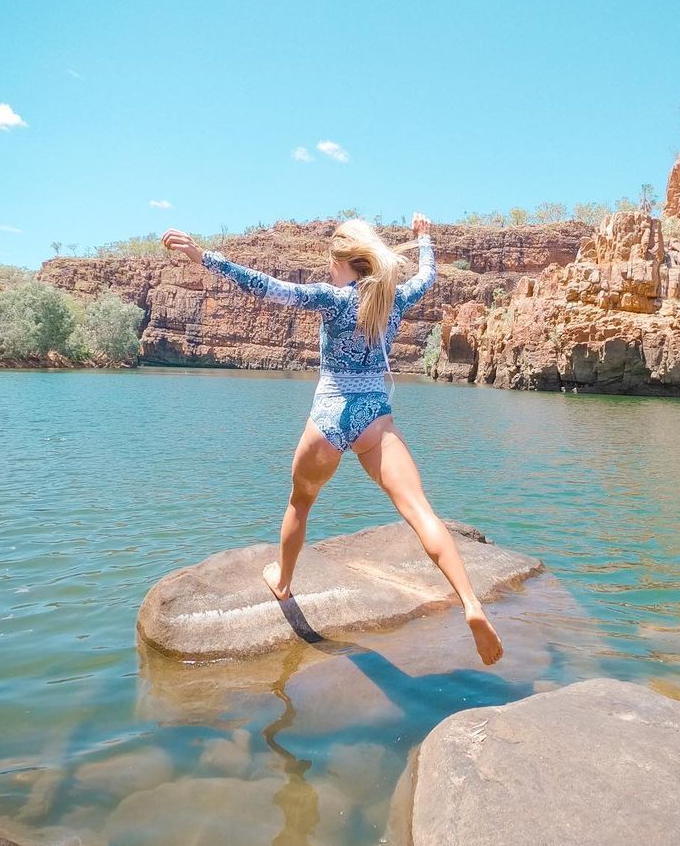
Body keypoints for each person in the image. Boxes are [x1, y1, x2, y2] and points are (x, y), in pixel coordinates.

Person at [161, 214, 504, 665]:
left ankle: (283, 581)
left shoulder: (333, 299)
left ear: (343, 262)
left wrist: (203, 257)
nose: (328, 270)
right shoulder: (395, 298)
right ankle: (470, 602)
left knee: (300, 502)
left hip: (328, 418)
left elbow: (265, 287)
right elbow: (428, 276)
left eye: (331, 263)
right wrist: (424, 239)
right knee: (420, 511)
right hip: (374, 418)